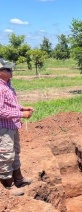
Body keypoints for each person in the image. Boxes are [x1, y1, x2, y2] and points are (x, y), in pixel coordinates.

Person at [0, 59, 34, 196]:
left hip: (12, 126)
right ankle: (8, 186)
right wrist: (21, 114)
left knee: (15, 152)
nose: (11, 71)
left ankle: (18, 179)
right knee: (6, 155)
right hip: (3, 128)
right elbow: (1, 111)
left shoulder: (8, 85)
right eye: (8, 69)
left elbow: (11, 104)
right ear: (1, 72)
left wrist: (22, 108)